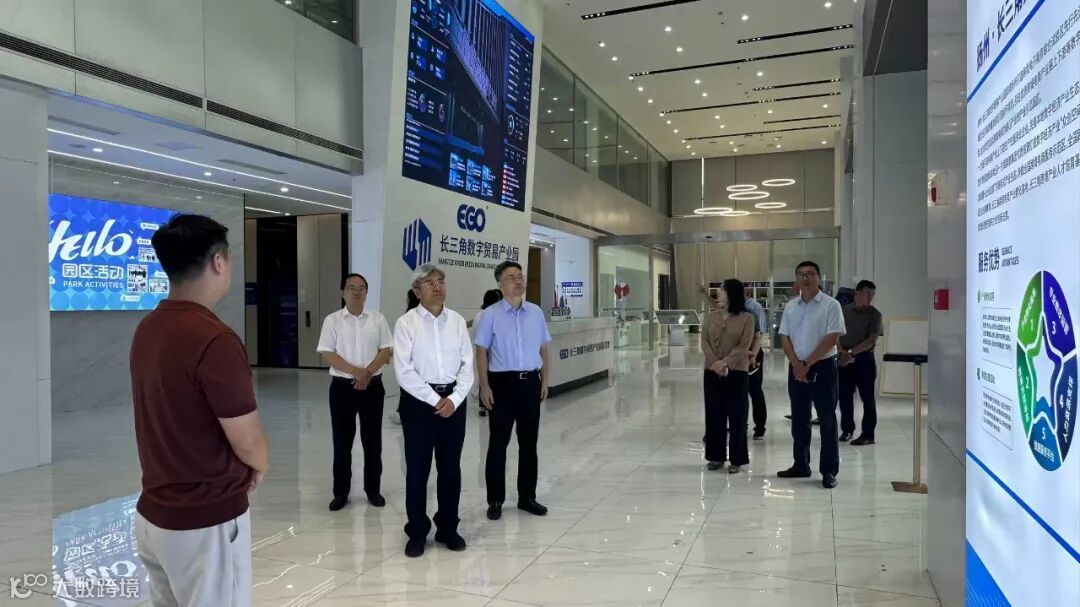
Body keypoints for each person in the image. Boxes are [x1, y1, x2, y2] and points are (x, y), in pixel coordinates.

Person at [130, 214, 268, 607]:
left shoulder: (148, 328)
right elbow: (246, 440)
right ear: (218, 262)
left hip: (155, 515)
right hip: (206, 522)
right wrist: (259, 464)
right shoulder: (214, 338)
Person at [394, 264, 474, 558]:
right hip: (419, 403)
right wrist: (434, 399)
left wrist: (455, 398)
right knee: (417, 471)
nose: (438, 286)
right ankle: (417, 531)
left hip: (454, 402)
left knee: (451, 469)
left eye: (440, 281)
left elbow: (467, 364)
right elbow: (404, 371)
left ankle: (448, 527)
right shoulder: (406, 323)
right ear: (417, 291)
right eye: (430, 283)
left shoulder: (457, 321)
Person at [475, 262, 552, 520]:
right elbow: (481, 351)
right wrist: (484, 385)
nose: (518, 281)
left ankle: (527, 497)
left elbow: (544, 349)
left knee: (529, 443)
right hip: (502, 385)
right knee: (498, 443)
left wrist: (545, 380)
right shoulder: (490, 315)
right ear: (500, 283)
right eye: (511, 277)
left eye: (520, 276)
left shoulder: (536, 313)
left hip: (530, 382)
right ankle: (495, 499)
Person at [317, 273, 393, 512]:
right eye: (351, 288)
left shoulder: (378, 319)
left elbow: (386, 350)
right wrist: (355, 372)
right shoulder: (332, 320)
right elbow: (327, 353)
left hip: (372, 387)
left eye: (361, 288)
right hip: (342, 388)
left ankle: (373, 490)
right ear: (343, 292)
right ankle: (341, 493)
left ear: (366, 292)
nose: (356, 292)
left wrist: (366, 374)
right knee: (342, 441)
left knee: (372, 441)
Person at [777, 261, 846, 489]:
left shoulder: (831, 305)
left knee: (827, 420)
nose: (806, 278)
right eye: (801, 274)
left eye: (810, 274)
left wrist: (807, 363)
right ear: (797, 279)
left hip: (823, 367)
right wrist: (796, 364)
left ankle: (829, 470)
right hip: (796, 368)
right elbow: (784, 337)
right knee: (799, 419)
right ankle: (801, 464)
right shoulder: (791, 307)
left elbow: (832, 338)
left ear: (819, 277)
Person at [701, 278, 756, 473]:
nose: (718, 292)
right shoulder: (711, 316)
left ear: (732, 293)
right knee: (714, 414)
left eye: (722, 289)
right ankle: (715, 456)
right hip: (712, 371)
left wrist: (725, 362)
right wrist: (715, 363)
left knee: (737, 415)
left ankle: (737, 459)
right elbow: (704, 341)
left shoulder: (747, 318)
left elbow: (744, 344)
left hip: (737, 372)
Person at [838, 280, 883, 446]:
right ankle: (847, 430)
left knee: (867, 398)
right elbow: (835, 333)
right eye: (867, 293)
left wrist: (850, 353)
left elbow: (871, 340)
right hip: (843, 358)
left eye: (873, 294)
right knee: (844, 397)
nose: (870, 297)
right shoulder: (843, 311)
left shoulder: (875, 315)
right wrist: (841, 352)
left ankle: (868, 434)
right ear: (857, 293)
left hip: (864, 360)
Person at [469, 289, 504, 417]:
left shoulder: (481, 315)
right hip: (487, 352)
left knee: (485, 379)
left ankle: (484, 405)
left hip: (487, 352)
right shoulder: (485, 315)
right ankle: (485, 404)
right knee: (486, 379)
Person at [743, 290, 769, 440]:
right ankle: (740, 424)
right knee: (738, 393)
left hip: (752, 355)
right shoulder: (728, 311)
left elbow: (759, 335)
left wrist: (753, 354)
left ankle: (760, 427)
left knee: (754, 391)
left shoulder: (752, 311)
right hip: (737, 357)